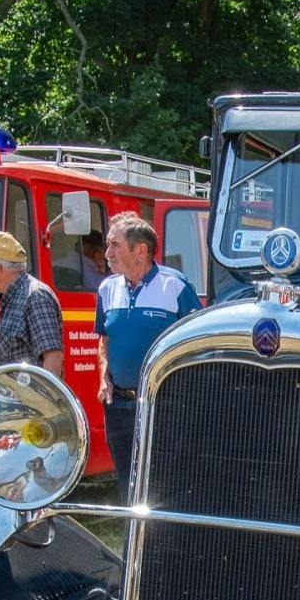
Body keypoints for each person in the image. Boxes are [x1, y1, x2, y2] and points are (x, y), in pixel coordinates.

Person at [96, 212, 201, 502]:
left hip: (164, 404)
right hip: (118, 405)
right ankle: (132, 543)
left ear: (140, 249)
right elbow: (103, 341)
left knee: (164, 483)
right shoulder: (107, 289)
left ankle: (165, 542)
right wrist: (103, 377)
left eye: (115, 245)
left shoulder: (175, 286)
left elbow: (196, 342)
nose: (107, 254)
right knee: (126, 484)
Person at [0, 231, 64, 375]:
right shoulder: (10, 297)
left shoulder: (36, 297)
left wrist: (40, 398)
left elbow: (53, 359)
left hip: (27, 397)